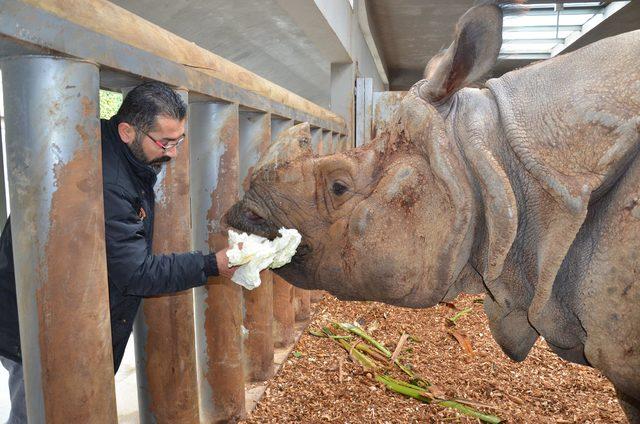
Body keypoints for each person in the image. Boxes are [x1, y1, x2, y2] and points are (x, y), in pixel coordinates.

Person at [0, 81, 238, 423]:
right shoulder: (109, 180)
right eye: (165, 142)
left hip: (56, 310)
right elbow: (136, 272)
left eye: (179, 140)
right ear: (127, 130)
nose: (172, 152)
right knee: (42, 412)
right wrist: (211, 265)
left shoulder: (111, 149)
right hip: (38, 325)